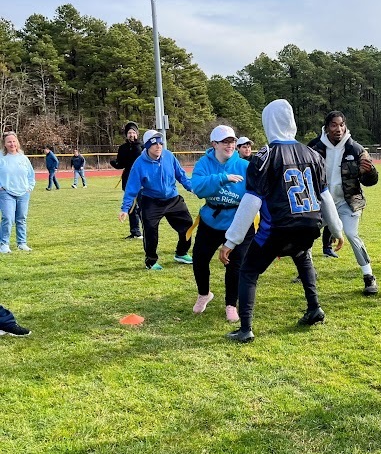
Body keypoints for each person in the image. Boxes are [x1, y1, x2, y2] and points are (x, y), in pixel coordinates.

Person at [219, 99, 344, 343]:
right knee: (303, 255)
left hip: (278, 228)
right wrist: (337, 229)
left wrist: (231, 241)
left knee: (248, 271)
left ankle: (245, 328)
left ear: (268, 122)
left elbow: (251, 203)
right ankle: (314, 307)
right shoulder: (313, 154)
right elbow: (325, 196)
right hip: (310, 225)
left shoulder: (264, 157)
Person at [308, 111, 379, 294]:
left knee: (351, 233)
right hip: (322, 202)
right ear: (326, 127)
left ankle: (369, 276)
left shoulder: (356, 149)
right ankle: (307, 271)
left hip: (348, 202)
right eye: (334, 125)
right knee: (306, 234)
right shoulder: (314, 148)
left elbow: (371, 181)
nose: (338, 129)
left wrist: (368, 172)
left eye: (341, 124)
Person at [191, 125, 254, 320]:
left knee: (235, 264)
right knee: (200, 259)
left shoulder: (244, 166)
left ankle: (230, 305)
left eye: (232, 141)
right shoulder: (204, 163)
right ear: (214, 144)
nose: (230, 145)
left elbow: (255, 195)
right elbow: (197, 188)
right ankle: (204, 294)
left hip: (238, 222)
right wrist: (222, 178)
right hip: (211, 219)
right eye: (225, 142)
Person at [119, 129, 194, 271]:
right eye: (154, 144)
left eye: (160, 143)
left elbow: (182, 175)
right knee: (150, 231)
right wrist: (124, 208)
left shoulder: (169, 156)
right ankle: (151, 261)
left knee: (188, 226)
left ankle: (181, 253)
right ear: (147, 146)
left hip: (173, 198)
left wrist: (192, 188)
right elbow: (131, 188)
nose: (158, 146)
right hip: (151, 201)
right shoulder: (139, 164)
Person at [0, 132, 35, 253]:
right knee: (8, 218)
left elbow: (31, 175)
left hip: (23, 193)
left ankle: (22, 243)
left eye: (14, 141)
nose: (12, 144)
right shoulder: (1, 158)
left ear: (17, 142)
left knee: (21, 218)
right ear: (4, 144)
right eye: (9, 141)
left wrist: (29, 187)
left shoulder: (23, 158)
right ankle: (4, 244)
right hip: (6, 193)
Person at [111, 122, 143, 238]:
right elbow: (122, 163)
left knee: (141, 206)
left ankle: (146, 230)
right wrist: (115, 164)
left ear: (137, 134)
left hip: (141, 181)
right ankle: (135, 232)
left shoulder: (141, 147)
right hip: (128, 180)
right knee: (130, 207)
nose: (131, 135)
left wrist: (135, 145)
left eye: (133, 132)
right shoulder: (123, 148)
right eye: (129, 133)